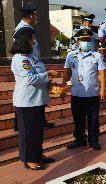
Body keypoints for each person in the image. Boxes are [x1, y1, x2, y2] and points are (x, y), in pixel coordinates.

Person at [11, 27, 58, 170]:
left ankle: (38, 153)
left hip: (37, 99)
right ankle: (29, 159)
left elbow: (39, 74)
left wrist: (48, 83)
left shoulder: (32, 55)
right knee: (29, 132)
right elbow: (30, 78)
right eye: (33, 37)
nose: (34, 39)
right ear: (26, 39)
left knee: (37, 130)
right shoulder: (21, 58)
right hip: (27, 101)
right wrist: (48, 74)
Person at [61, 28, 106, 151]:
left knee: (93, 118)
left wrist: (103, 90)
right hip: (76, 92)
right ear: (78, 42)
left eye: (89, 40)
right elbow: (67, 72)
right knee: (78, 117)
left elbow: (102, 73)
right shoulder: (71, 55)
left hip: (92, 92)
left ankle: (93, 140)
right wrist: (63, 87)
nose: (87, 42)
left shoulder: (97, 55)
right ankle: (80, 139)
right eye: (84, 40)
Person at [13, 3, 55, 131]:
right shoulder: (22, 31)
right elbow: (23, 55)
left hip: (35, 70)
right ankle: (18, 123)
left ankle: (39, 120)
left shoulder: (27, 28)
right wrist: (47, 74)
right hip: (29, 76)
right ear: (32, 15)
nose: (36, 17)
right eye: (35, 14)